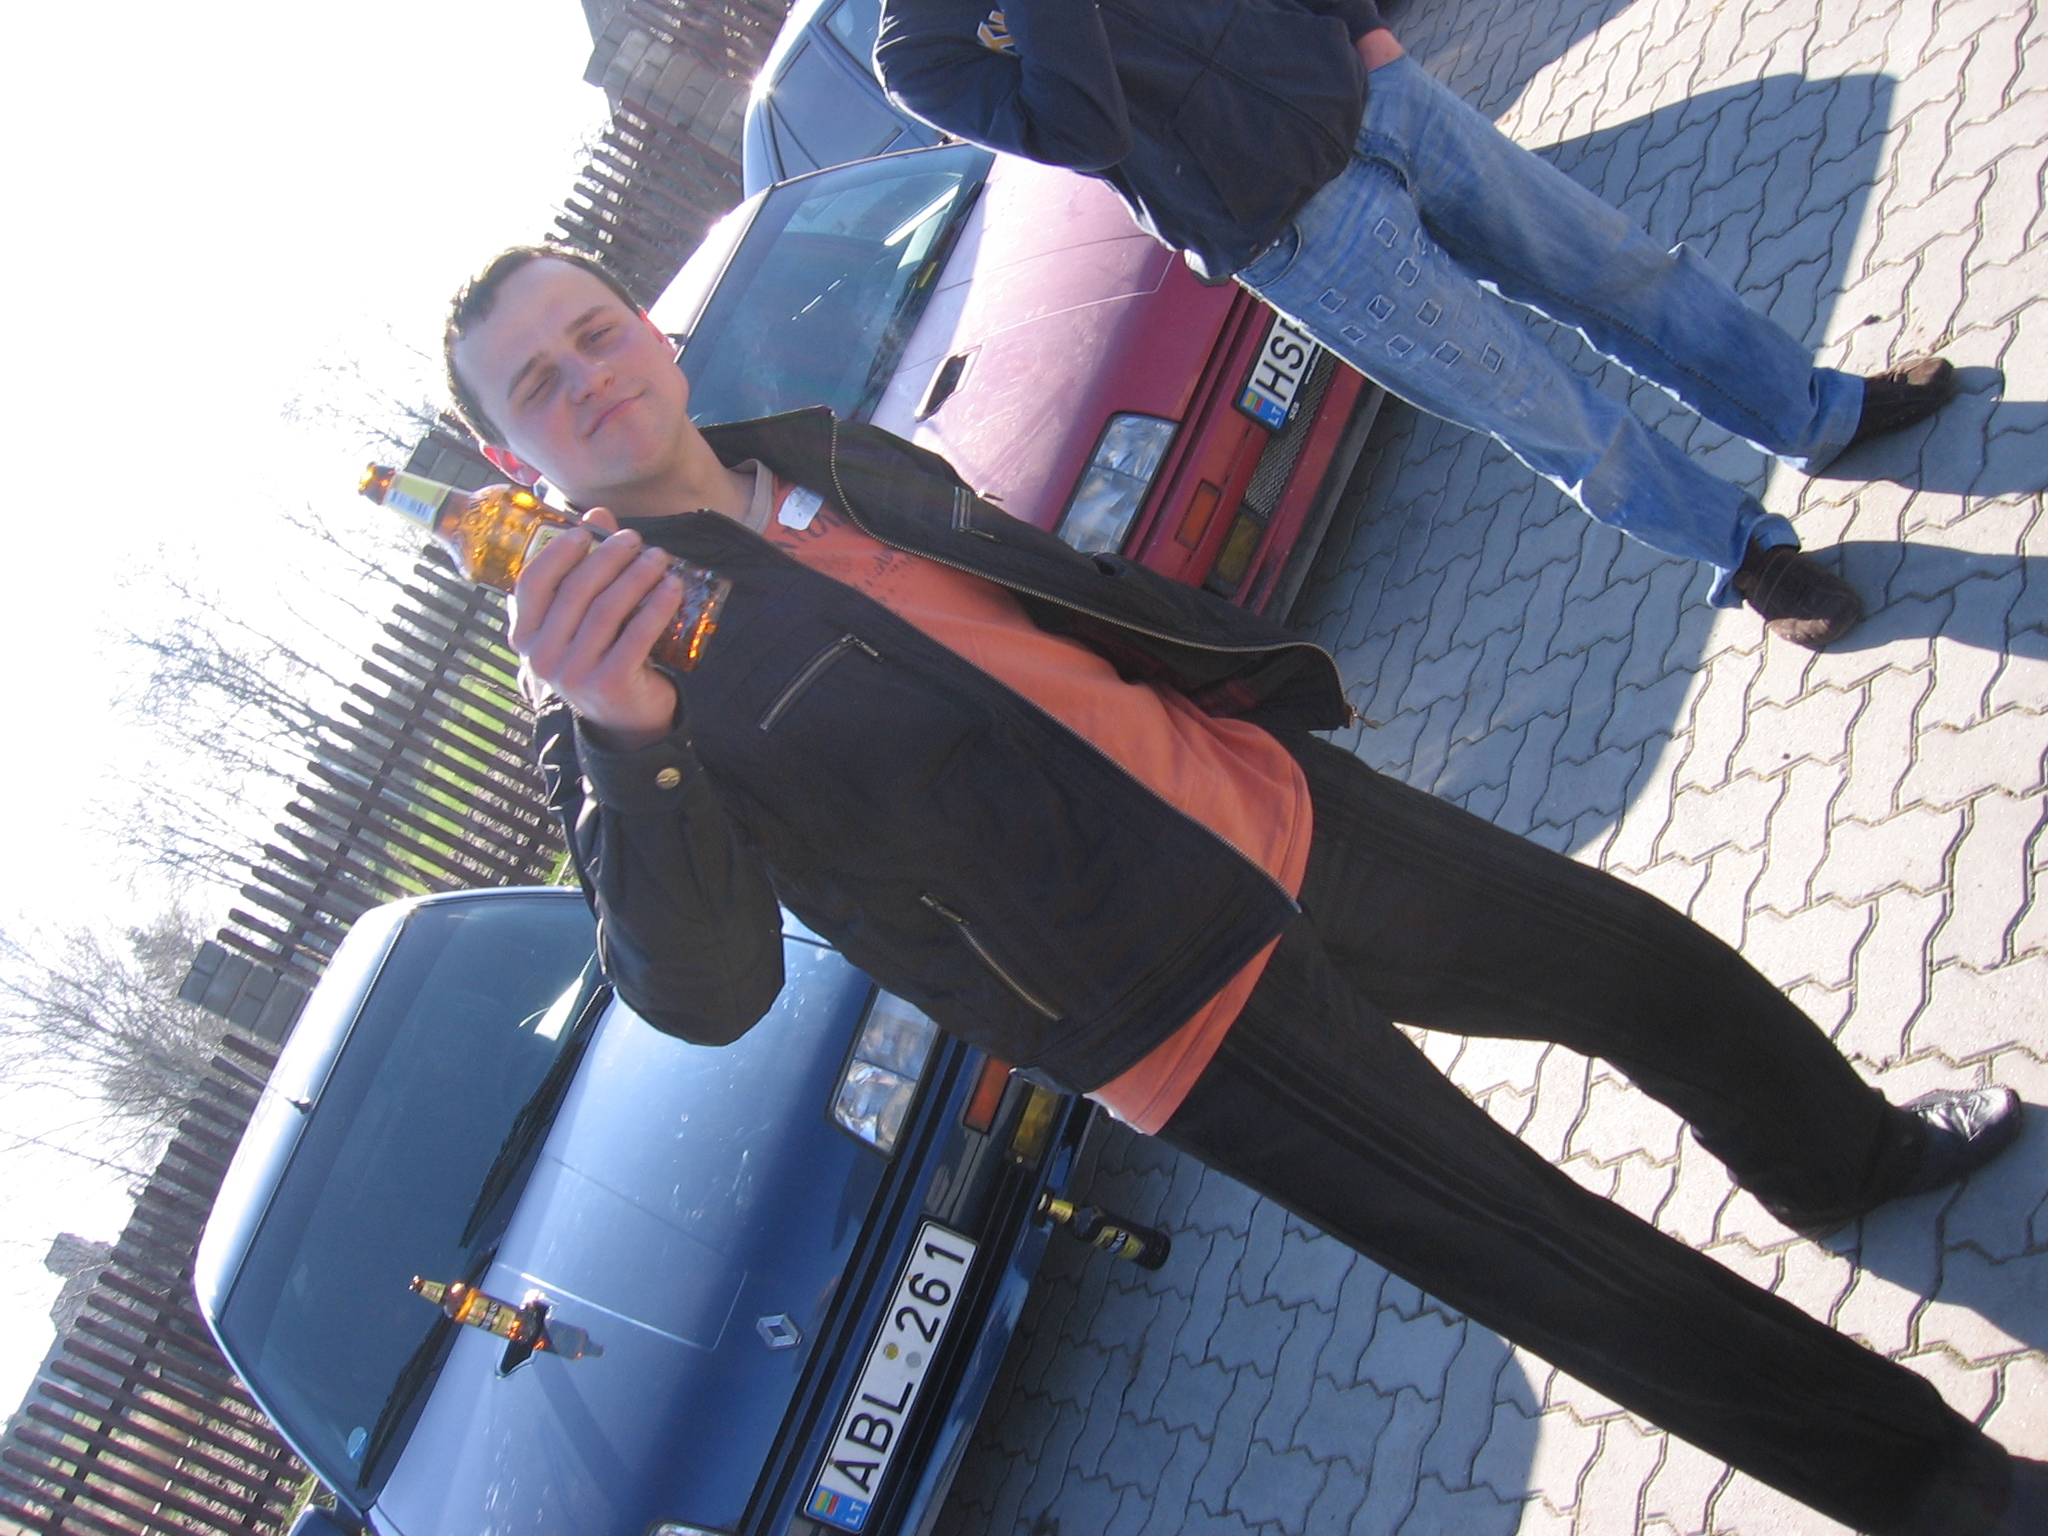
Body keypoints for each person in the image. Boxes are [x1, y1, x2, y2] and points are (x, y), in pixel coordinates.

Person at [444, 245, 2042, 1535]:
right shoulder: (595, 681)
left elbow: (1029, 605)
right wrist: (629, 735)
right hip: (1169, 1003)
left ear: (653, 330)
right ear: (514, 456)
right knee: (1557, 1261)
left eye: (593, 332)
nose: (587, 377)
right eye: (538, 385)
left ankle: (1843, 1159)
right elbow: (703, 989)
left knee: (1639, 966)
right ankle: (1942, 1490)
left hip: (1265, 804)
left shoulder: (812, 448)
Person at [868, 0, 1961, 650]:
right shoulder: (920, 48)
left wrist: (1359, 30)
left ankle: (1814, 413)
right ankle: (1749, 555)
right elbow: (1081, 127)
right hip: (1291, 232)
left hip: (1377, 99)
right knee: (1542, 410)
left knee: (1624, 270)